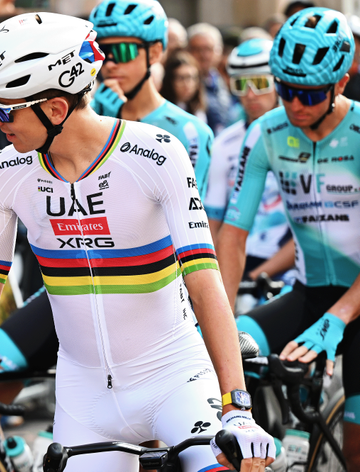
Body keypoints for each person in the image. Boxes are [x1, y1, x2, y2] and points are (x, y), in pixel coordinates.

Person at [0, 11, 273, 472]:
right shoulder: (6, 172)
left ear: (56, 108)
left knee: (241, 465)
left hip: (175, 380)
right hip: (84, 403)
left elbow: (205, 284)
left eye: (3, 108)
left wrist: (238, 408)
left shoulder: (156, 153)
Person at [216, 8, 360, 470]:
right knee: (219, 354)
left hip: (357, 302)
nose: (294, 104)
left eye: (309, 93)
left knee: (356, 450)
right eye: (285, 89)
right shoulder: (268, 132)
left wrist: (338, 319)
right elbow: (233, 237)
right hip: (308, 293)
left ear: (341, 83)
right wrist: (214, 315)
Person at [91, 0, 214, 197]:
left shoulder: (190, 132)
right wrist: (97, 123)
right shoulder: (90, 114)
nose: (110, 64)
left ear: (155, 52)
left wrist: (117, 132)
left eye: (124, 51)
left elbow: (184, 213)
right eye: (102, 52)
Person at [204, 39, 294, 290]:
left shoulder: (301, 137)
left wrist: (256, 277)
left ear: (278, 83)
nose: (251, 94)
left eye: (261, 83)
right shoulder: (223, 143)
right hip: (235, 262)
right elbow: (214, 221)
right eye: (241, 84)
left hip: (287, 267)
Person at [188, 23, 236, 134]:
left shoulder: (221, 79)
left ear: (219, 51)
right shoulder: (184, 82)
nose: (203, 55)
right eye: (197, 49)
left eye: (208, 49)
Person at [160, 50, 208, 124]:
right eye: (181, 78)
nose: (187, 84)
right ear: (170, 80)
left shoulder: (199, 109)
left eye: (191, 77)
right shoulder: (161, 111)